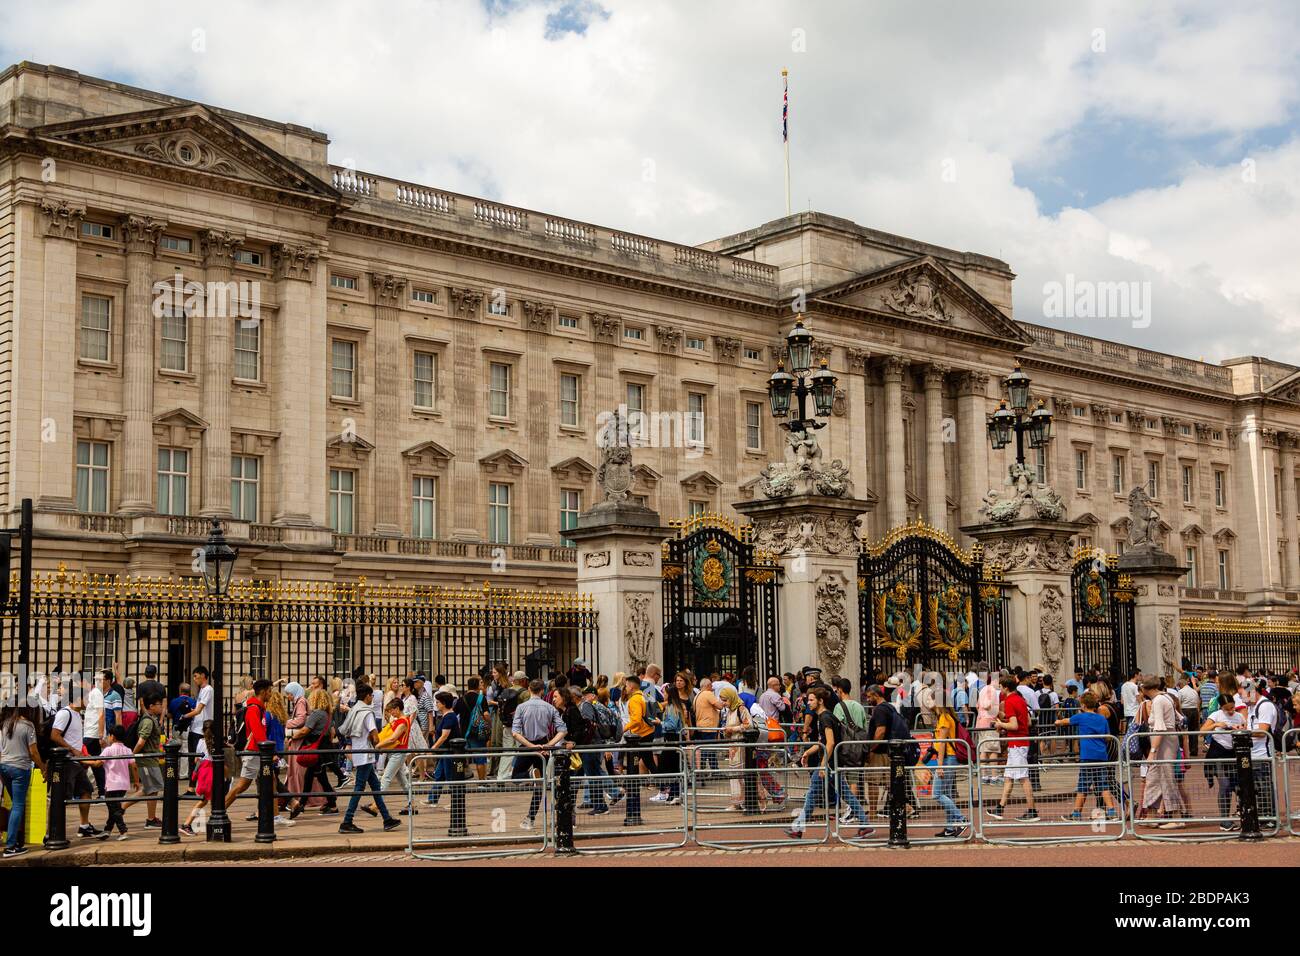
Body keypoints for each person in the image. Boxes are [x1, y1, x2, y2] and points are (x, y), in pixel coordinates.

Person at [786, 687, 873, 839]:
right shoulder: (826, 716)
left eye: (812, 700)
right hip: (831, 763)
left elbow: (831, 743)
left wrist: (822, 764)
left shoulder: (825, 717)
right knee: (842, 795)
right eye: (808, 700)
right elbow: (822, 742)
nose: (809, 703)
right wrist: (807, 752)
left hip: (829, 764)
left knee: (813, 795)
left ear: (820, 701)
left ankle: (798, 828)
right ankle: (865, 825)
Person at [338, 683, 401, 834]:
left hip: (359, 751)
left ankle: (387, 818)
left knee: (376, 787)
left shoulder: (354, 710)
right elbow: (374, 735)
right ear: (367, 696)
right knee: (359, 788)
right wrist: (381, 744)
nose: (372, 698)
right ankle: (347, 821)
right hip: (366, 754)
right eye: (371, 695)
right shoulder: (367, 712)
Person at [1053, 691, 1120, 822]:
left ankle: (1076, 813)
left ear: (1083, 705)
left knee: (1083, 785)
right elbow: (1107, 737)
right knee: (1103, 785)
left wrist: (1058, 721)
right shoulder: (1101, 718)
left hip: (1088, 755)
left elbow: (1066, 721)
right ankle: (1112, 811)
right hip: (1101, 755)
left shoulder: (1081, 717)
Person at [510, 679, 567, 830]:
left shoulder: (521, 707)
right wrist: (549, 745)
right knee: (540, 786)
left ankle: (529, 776)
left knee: (515, 777)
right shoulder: (549, 707)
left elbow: (515, 733)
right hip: (544, 745)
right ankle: (531, 817)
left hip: (527, 744)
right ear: (542, 691)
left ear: (529, 689)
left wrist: (531, 746)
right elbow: (563, 730)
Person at [987, 674, 1037, 822]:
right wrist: (1003, 719)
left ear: (1006, 687)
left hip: (1017, 744)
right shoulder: (1021, 700)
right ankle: (1000, 808)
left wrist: (1000, 724)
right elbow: (1026, 722)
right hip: (1019, 742)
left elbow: (1014, 725)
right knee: (1008, 777)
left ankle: (1032, 810)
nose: (1000, 690)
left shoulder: (1009, 701)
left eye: (1001, 687)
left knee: (1023, 778)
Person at [1138, 676, 1187, 828]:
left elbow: (1160, 727)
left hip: (1164, 741)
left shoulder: (1159, 701)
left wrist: (1152, 751)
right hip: (1165, 740)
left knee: (1166, 777)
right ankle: (1152, 816)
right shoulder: (1165, 698)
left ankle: (1177, 817)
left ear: (1146, 689)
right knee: (1153, 777)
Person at [0, 703, 46, 857]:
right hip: (20, 768)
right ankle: (11, 846)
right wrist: (43, 768)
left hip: (4, 767)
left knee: (15, 805)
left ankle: (16, 840)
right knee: (19, 805)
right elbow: (33, 752)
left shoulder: (6, 723)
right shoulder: (28, 725)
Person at [286, 688, 339, 818]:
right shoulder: (327, 714)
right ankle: (303, 804)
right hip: (322, 748)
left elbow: (305, 730)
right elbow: (332, 733)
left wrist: (292, 737)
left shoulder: (317, 714)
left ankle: (331, 804)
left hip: (315, 749)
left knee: (318, 778)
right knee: (312, 777)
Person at [223, 678, 271, 814]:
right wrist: (269, 752)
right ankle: (220, 809)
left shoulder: (258, 708)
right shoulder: (254, 709)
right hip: (253, 751)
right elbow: (258, 733)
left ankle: (273, 814)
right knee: (242, 785)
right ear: (262, 692)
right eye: (269, 691)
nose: (271, 694)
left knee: (271, 781)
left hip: (257, 752)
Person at [1201, 692, 1245, 830]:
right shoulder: (1216, 715)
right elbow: (1202, 731)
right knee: (1225, 785)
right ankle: (1224, 820)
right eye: (1227, 709)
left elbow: (1245, 728)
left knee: (1237, 786)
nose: (1231, 711)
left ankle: (1243, 815)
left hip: (1233, 752)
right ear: (1221, 707)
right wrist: (1216, 725)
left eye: (1232, 707)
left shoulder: (1239, 716)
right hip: (1218, 753)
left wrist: (1241, 728)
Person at [925, 704, 970, 837]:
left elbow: (943, 743)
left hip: (947, 759)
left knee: (937, 794)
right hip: (948, 758)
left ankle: (962, 819)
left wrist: (939, 766)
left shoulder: (944, 718)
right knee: (947, 794)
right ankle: (950, 828)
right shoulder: (945, 717)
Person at [621, 673, 657, 826]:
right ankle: (665, 783)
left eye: (626, 685)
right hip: (648, 731)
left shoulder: (634, 699)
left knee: (646, 760)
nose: (625, 688)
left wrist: (624, 728)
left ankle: (665, 784)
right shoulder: (643, 695)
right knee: (647, 759)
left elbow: (635, 720)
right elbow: (658, 707)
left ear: (631, 686)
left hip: (641, 733)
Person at [124, 693, 165, 829]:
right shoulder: (148, 721)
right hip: (146, 760)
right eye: (159, 704)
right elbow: (141, 741)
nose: (161, 707)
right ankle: (121, 807)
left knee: (151, 789)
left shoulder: (151, 719)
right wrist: (132, 755)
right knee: (149, 789)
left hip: (151, 759)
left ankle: (151, 818)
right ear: (151, 706)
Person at [90, 724, 136, 840]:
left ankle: (123, 831)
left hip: (112, 785)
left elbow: (97, 763)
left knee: (114, 809)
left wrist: (85, 760)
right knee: (114, 808)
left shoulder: (108, 750)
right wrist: (136, 781)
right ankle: (107, 830)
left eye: (109, 735)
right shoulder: (127, 749)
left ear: (113, 737)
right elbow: (134, 766)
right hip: (123, 785)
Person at [377, 697, 413, 815]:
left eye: (392, 710)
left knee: (386, 778)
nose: (391, 713)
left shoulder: (402, 721)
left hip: (398, 753)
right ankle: (411, 803)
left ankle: (377, 804)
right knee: (402, 781)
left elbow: (393, 738)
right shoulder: (401, 720)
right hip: (396, 752)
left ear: (397, 709)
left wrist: (379, 745)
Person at [183, 666, 213, 768]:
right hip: (195, 728)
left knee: (198, 759)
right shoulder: (202, 690)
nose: (194, 679)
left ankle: (197, 782)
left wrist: (184, 716)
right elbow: (197, 710)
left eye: (196, 676)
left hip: (201, 729)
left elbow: (199, 710)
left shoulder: (208, 689)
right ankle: (192, 783)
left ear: (203, 675)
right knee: (192, 759)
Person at [692, 677, 723, 771]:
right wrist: (724, 702)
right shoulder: (708, 694)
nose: (712, 686)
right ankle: (701, 768)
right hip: (709, 726)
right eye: (711, 685)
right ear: (708, 685)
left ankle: (714, 769)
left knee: (709, 749)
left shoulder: (697, 695)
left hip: (700, 726)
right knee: (708, 749)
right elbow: (719, 706)